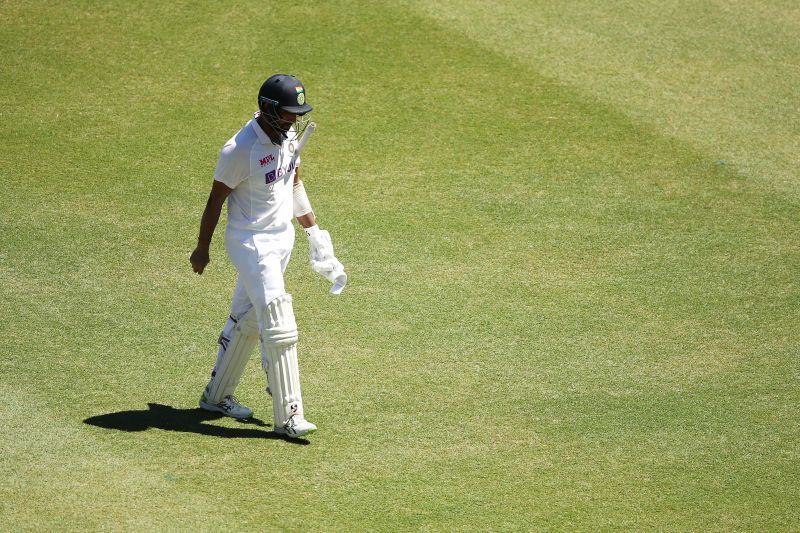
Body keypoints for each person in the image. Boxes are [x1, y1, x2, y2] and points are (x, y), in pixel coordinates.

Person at [189, 74, 346, 438]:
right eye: (288, 114)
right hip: (251, 242)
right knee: (278, 317)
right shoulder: (239, 149)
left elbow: (294, 183)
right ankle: (289, 416)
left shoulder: (288, 137)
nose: (293, 121)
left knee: (249, 318)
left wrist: (314, 234)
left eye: (297, 114)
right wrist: (202, 248)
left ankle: (216, 397)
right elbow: (215, 200)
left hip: (281, 240)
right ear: (267, 109)